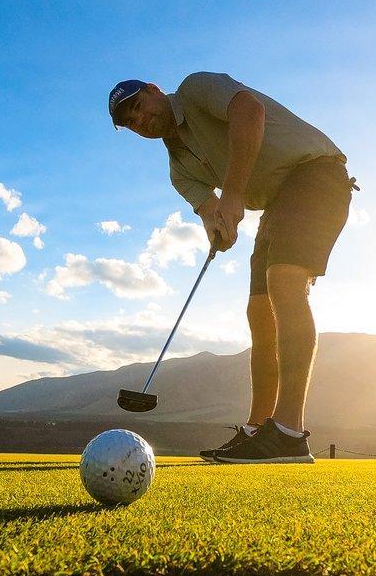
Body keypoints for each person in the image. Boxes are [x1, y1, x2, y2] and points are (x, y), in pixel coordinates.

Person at [109, 73, 358, 464]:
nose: (140, 120)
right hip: (278, 203)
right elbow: (212, 213)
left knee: (285, 284)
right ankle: (259, 429)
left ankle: (290, 432)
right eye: (131, 122)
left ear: (155, 91)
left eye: (139, 106)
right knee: (258, 311)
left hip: (316, 174)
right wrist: (218, 228)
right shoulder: (179, 169)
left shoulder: (195, 89)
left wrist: (234, 194)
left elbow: (249, 110)